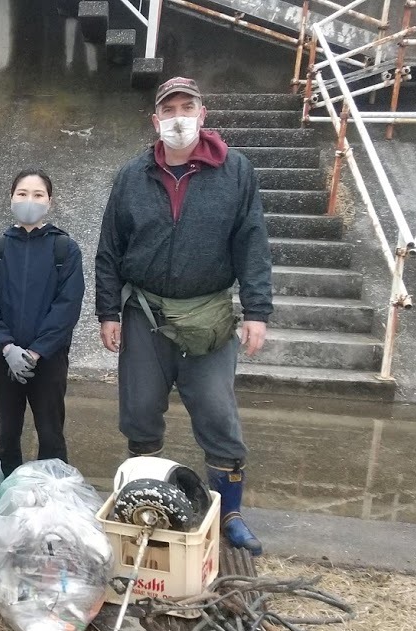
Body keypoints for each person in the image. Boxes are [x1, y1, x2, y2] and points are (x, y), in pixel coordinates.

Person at [95, 77, 272, 556]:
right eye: (168, 108)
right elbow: (110, 249)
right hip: (144, 314)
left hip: (208, 315)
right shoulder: (133, 176)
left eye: (186, 107)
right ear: (156, 120)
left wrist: (257, 309)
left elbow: (252, 243)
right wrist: (107, 311)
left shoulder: (237, 173)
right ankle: (144, 503)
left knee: (218, 413)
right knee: (139, 413)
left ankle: (230, 512)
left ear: (202, 114)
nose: (178, 116)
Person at [0, 169, 85, 476]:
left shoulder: (65, 249)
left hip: (48, 359)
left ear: (49, 201)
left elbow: (67, 307)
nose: (29, 200)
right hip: (4, 358)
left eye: (38, 195)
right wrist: (7, 347)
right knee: (7, 432)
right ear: (11, 197)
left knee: (51, 432)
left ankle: (55, 495)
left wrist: (36, 352)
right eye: (22, 194)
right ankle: (8, 496)